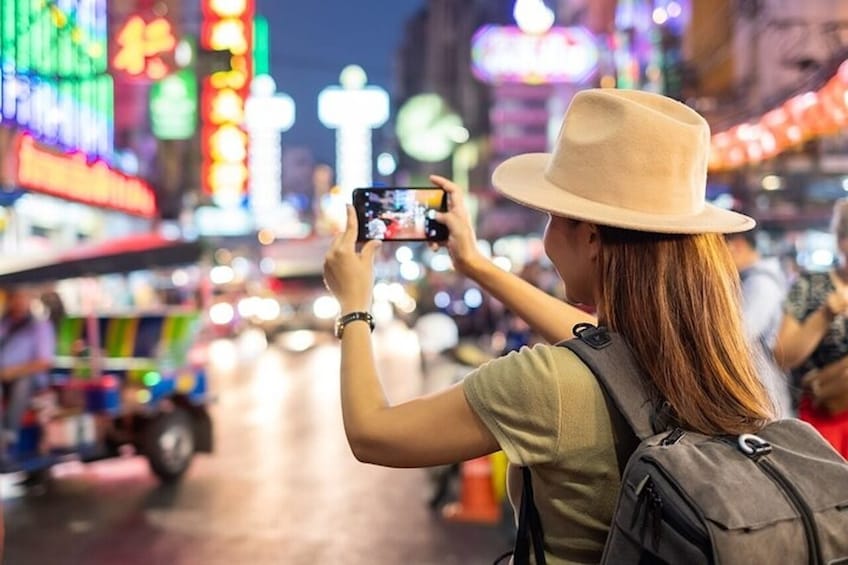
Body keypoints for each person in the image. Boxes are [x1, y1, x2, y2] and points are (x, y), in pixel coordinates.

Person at [323, 89, 773, 563]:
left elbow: (373, 433)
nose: (547, 235)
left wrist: (354, 305)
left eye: (553, 216)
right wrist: (475, 263)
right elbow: (593, 342)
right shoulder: (715, 360)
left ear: (592, 237)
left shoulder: (546, 385)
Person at [774, 198, 848, 457]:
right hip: (827, 412)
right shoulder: (810, 285)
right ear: (842, 241)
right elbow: (782, 355)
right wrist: (824, 316)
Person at [725, 228, 794, 418]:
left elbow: (738, 338)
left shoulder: (760, 283)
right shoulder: (752, 280)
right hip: (761, 395)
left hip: (764, 395)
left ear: (737, 245)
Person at [0, 286, 56, 454]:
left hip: (30, 379)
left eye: (23, 297)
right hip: (3, 377)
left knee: (22, 383)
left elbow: (43, 361)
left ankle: (7, 437)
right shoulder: (4, 324)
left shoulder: (40, 326)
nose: (19, 301)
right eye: (16, 297)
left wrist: (12, 372)